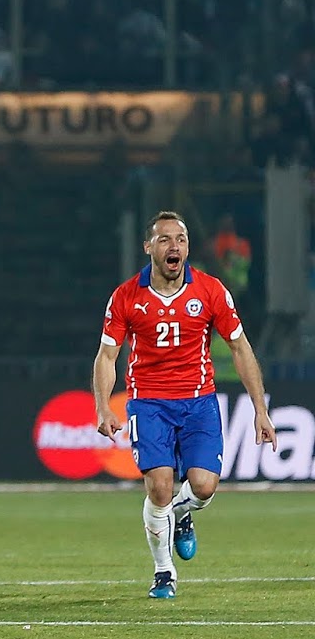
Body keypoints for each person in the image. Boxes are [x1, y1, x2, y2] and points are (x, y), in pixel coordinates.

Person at [93, 210, 276, 599]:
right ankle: (164, 573)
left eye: (180, 239)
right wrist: (103, 406)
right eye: (164, 239)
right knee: (159, 489)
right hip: (149, 403)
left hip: (199, 402)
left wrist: (260, 409)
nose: (173, 246)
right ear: (148, 247)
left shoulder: (210, 291)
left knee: (204, 486)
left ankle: (182, 512)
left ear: (187, 246)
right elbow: (107, 356)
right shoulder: (126, 296)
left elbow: (240, 348)